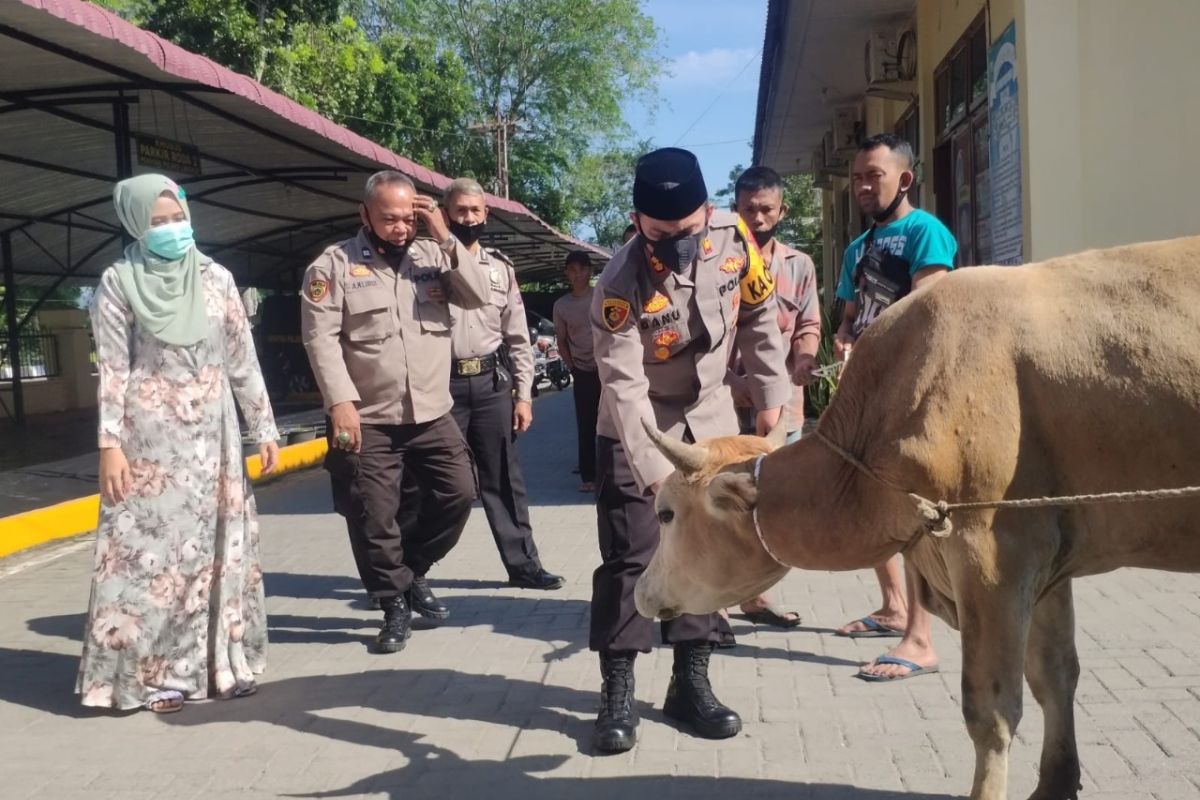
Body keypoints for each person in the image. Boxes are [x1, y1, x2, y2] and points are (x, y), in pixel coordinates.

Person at [589, 147, 791, 753]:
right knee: (634, 556)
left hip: (712, 424)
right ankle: (618, 687)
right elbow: (622, 386)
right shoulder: (618, 284)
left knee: (710, 548)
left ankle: (690, 684)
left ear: (709, 210)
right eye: (657, 233)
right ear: (636, 220)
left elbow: (759, 314)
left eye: (686, 230)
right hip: (638, 429)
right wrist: (656, 475)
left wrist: (772, 396)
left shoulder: (735, 240)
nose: (673, 242)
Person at [80, 174, 280, 714]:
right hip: (149, 445)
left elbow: (242, 358)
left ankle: (219, 665)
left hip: (214, 440)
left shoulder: (217, 278)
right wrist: (109, 445)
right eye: (158, 222)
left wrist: (263, 427)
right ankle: (153, 678)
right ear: (134, 225)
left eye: (178, 218)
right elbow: (114, 370)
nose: (172, 230)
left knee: (218, 553)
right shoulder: (118, 282)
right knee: (150, 558)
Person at [300, 170, 488, 654]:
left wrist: (444, 234)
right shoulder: (333, 266)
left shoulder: (433, 255)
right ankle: (393, 605)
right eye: (390, 219)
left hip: (431, 411)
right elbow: (320, 339)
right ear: (365, 214)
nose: (402, 227)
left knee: (459, 492)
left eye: (409, 218)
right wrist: (340, 403)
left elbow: (478, 296)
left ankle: (412, 571)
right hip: (368, 416)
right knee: (373, 515)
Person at [397, 178, 563, 598]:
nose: (468, 218)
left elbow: (517, 337)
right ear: (444, 212)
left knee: (504, 478)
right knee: (427, 481)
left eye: (475, 211)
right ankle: (404, 569)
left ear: (486, 215)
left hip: (490, 383)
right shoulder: (417, 258)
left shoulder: (500, 268)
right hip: (440, 384)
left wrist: (524, 394)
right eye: (460, 211)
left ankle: (524, 564)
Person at [831, 133, 958, 682]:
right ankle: (893, 607)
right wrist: (842, 341)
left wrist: (875, 348)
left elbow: (931, 316)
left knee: (912, 510)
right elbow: (848, 317)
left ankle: (920, 640)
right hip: (866, 393)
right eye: (857, 176)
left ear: (903, 179)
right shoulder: (857, 249)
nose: (862, 185)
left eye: (873, 176)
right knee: (869, 501)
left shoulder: (925, 232)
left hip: (913, 395)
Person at [726, 164, 822, 629]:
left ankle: (757, 595)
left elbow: (808, 325)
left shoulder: (799, 265)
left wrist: (804, 358)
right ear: (735, 210)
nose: (758, 218)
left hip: (781, 407)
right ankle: (714, 599)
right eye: (748, 209)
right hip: (723, 403)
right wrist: (735, 383)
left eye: (766, 209)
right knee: (722, 499)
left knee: (771, 501)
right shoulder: (716, 262)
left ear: (782, 210)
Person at [552, 249, 599, 493]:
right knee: (586, 423)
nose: (578, 274)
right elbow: (561, 340)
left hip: (607, 368)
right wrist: (572, 367)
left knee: (614, 420)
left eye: (582, 269)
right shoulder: (562, 305)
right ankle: (588, 476)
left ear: (590, 271)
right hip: (582, 371)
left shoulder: (602, 296)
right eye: (573, 270)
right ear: (566, 274)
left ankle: (615, 470)